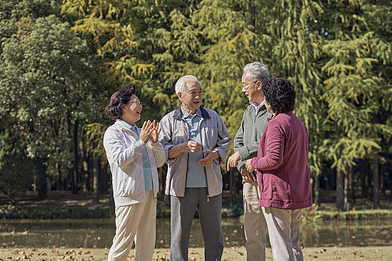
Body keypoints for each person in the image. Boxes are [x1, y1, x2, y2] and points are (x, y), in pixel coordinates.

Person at [159, 75, 232, 261]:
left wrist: (215, 155)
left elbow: (225, 141)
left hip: (211, 188)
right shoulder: (168, 121)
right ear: (180, 95)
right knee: (179, 239)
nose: (198, 96)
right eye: (193, 93)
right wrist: (182, 147)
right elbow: (160, 152)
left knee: (214, 238)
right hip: (180, 189)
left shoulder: (213, 116)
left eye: (200, 92)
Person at [245, 77, 312, 261]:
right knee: (293, 244)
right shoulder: (297, 122)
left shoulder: (276, 123)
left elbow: (274, 159)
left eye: (266, 97)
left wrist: (253, 163)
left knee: (281, 246)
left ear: (271, 100)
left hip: (279, 193)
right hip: (297, 191)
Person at [103, 86, 166, 261]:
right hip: (129, 195)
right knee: (122, 244)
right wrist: (141, 142)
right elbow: (120, 159)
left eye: (140, 103)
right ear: (123, 107)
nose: (140, 106)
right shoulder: (113, 133)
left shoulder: (141, 132)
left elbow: (160, 162)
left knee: (146, 244)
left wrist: (154, 144)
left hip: (149, 193)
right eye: (135, 102)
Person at [227, 62, 272, 260]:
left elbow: (266, 139)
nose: (242, 88)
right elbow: (238, 140)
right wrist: (241, 166)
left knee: (278, 232)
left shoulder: (273, 108)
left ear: (258, 84)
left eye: (245, 84)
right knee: (252, 234)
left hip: (270, 177)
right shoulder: (248, 111)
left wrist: (242, 153)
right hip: (250, 178)